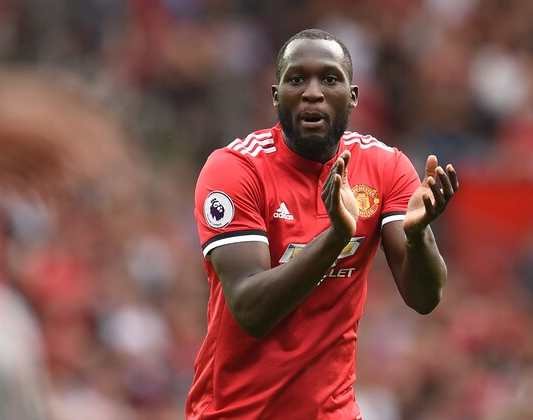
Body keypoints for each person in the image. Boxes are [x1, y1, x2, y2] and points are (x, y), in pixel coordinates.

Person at [187, 28, 459, 419]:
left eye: (329, 79)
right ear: (276, 96)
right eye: (297, 79)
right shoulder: (235, 168)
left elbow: (424, 299)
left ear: (352, 96)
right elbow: (251, 310)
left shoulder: (386, 166)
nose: (312, 92)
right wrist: (336, 238)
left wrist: (418, 236)